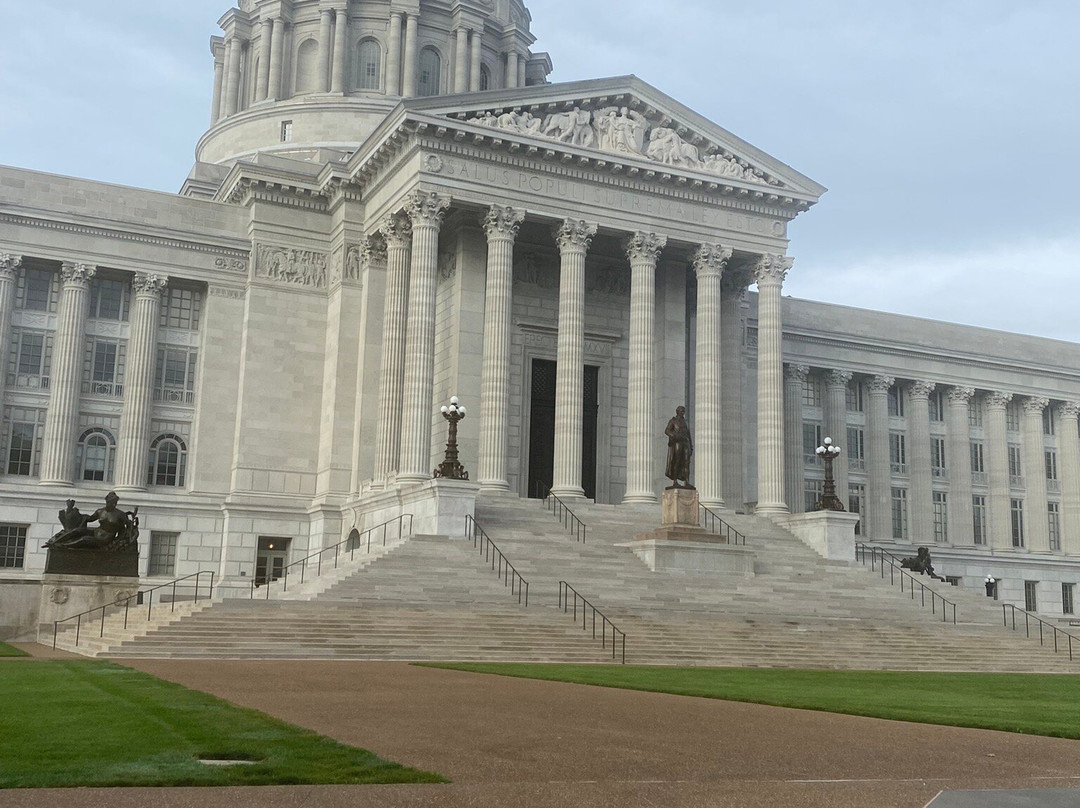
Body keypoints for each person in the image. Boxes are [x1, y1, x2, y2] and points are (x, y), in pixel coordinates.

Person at [45, 492, 139, 551]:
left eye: (114, 503)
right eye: (110, 503)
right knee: (77, 531)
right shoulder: (100, 511)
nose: (113, 505)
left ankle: (61, 545)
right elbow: (89, 519)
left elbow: (128, 526)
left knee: (84, 539)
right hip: (96, 532)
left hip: (105, 539)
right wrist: (72, 511)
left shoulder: (120, 514)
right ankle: (54, 543)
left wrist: (133, 524)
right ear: (107, 502)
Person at [665, 406, 694, 488]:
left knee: (686, 462)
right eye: (681, 411)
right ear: (677, 411)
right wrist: (674, 435)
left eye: (683, 411)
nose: (683, 413)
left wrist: (691, 446)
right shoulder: (673, 421)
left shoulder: (685, 422)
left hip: (686, 443)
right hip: (677, 443)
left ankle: (687, 482)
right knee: (677, 461)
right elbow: (667, 431)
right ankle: (675, 481)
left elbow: (689, 435)